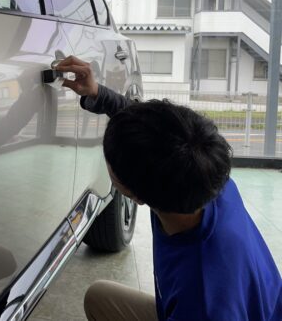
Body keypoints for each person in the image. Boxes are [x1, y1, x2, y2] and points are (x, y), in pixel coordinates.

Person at [55, 56, 282, 321]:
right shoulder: (205, 179)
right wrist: (96, 92)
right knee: (99, 297)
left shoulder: (204, 298)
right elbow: (154, 135)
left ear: (132, 194)